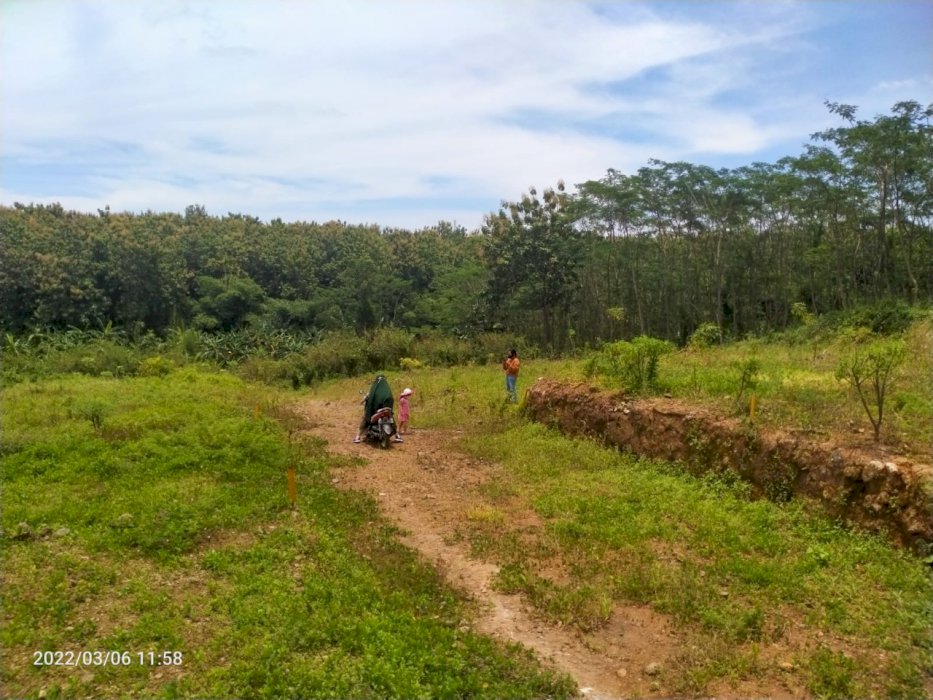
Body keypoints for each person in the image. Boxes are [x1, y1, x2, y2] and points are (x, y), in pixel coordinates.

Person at [353, 375, 394, 443]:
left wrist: (364, 401)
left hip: (375, 411)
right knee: (392, 419)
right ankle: (397, 435)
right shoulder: (388, 391)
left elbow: (368, 399)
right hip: (386, 411)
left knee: (365, 419)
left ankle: (358, 437)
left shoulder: (374, 390)